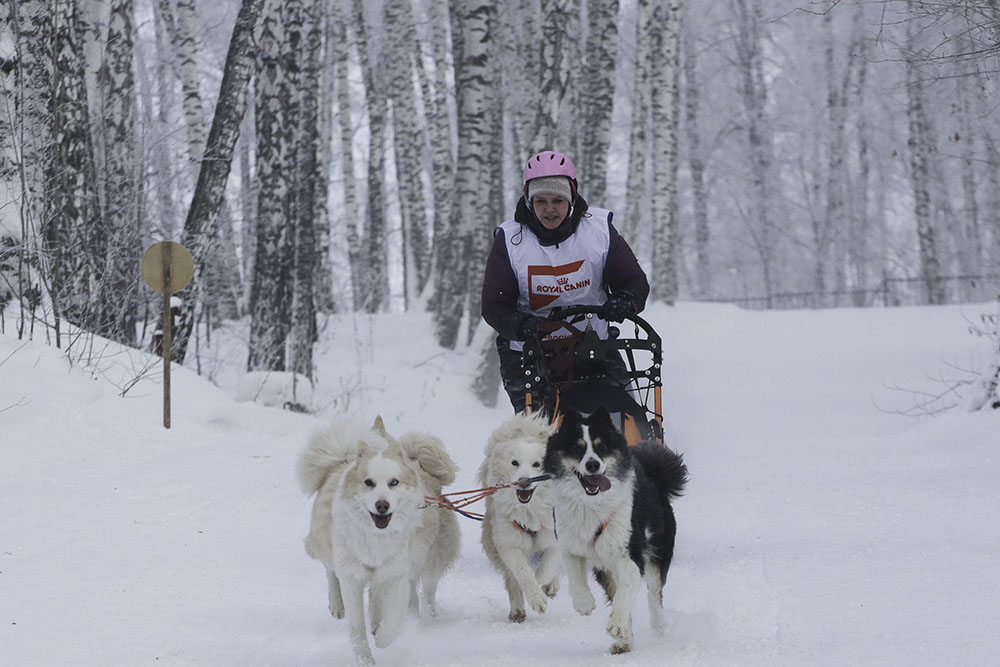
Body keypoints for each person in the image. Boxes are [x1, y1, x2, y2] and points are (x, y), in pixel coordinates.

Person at [481, 150, 650, 415]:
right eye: (541, 201)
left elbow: (632, 279)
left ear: (571, 198)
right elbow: (495, 304)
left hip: (593, 342)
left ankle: (636, 453)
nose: (550, 209)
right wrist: (520, 325)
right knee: (538, 431)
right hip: (530, 350)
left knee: (625, 416)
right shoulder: (510, 241)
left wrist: (625, 300)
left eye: (558, 200)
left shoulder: (599, 232)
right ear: (528, 201)